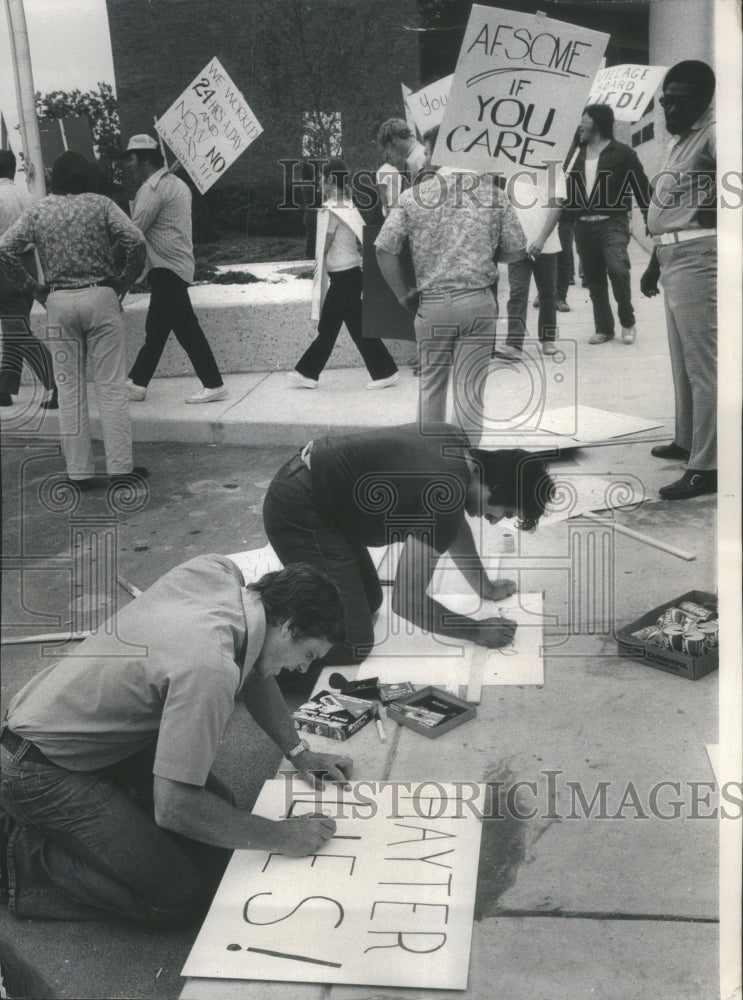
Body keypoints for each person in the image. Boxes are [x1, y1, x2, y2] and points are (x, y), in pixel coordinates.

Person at [0, 556, 351, 923]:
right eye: (308, 654)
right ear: (289, 627)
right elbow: (176, 808)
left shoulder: (217, 572)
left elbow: (256, 670)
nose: (303, 669)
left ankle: (110, 817)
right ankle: (18, 853)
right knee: (180, 894)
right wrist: (282, 836)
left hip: (75, 726)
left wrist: (299, 753)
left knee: (218, 824)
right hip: (37, 769)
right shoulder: (209, 669)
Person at [263, 422, 555, 667]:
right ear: (500, 486)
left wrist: (483, 585)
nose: (494, 521)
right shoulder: (447, 491)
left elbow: (452, 526)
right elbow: (407, 601)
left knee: (370, 603)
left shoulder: (456, 446)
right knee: (353, 644)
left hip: (321, 498)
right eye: (504, 512)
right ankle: (252, 661)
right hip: (299, 510)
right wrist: (475, 630)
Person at [0, 152, 146, 488]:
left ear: (57, 178)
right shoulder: (101, 204)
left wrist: (33, 287)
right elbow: (135, 238)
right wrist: (126, 278)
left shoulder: (41, 209)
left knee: (69, 391)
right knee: (110, 388)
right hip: (101, 298)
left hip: (59, 301)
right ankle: (121, 468)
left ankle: (79, 471)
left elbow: (5, 247)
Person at [375, 126, 526, 440]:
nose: (424, 157)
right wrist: (485, 247)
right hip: (478, 302)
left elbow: (384, 249)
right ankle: (467, 465)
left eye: (427, 151)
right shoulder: (494, 194)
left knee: (431, 387)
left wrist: (403, 295)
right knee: (470, 392)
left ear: (438, 152)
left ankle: (432, 467)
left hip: (432, 304)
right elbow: (516, 252)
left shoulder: (412, 196)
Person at [641, 61, 717, 501]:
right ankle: (688, 440)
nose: (670, 106)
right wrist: (654, 262)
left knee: (704, 366)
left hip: (700, 256)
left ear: (705, 97)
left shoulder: (715, 133)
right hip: (673, 254)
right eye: (665, 100)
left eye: (680, 98)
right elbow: (672, 204)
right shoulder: (680, 139)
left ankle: (708, 466)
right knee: (683, 363)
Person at [121, 135, 227, 404]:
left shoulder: (153, 190)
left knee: (174, 329)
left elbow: (132, 233)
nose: (128, 165)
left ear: (145, 158)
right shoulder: (177, 185)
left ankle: (211, 384)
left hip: (167, 267)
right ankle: (138, 383)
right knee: (164, 329)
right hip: (176, 266)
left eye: (130, 158)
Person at [288, 158, 399, 390]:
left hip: (344, 276)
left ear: (330, 180)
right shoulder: (347, 204)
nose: (318, 183)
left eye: (320, 178)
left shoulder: (331, 210)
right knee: (328, 328)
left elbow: (323, 246)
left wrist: (314, 268)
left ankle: (386, 372)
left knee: (354, 328)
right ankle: (307, 373)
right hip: (348, 274)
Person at [566, 104, 650, 345]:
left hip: (613, 223)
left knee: (617, 269)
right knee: (594, 280)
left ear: (598, 122)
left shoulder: (623, 153)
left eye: (585, 118)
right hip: (583, 225)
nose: (581, 123)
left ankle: (628, 322)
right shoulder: (575, 154)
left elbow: (642, 189)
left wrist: (649, 220)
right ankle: (604, 328)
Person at [0, 150, 57, 410]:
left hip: (5, 265)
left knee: (16, 331)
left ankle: (57, 381)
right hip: (29, 265)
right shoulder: (31, 198)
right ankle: (4, 388)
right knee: (15, 327)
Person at [499, 165, 567, 360]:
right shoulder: (513, 169)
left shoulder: (554, 170)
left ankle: (547, 340)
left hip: (546, 244)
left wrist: (541, 239)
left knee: (548, 294)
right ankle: (514, 344)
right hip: (518, 245)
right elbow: (508, 206)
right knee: (517, 294)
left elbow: (556, 207)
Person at [377, 118, 427, 184]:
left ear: (394, 139)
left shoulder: (415, 160)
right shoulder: (422, 152)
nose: (388, 153)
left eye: (388, 147)